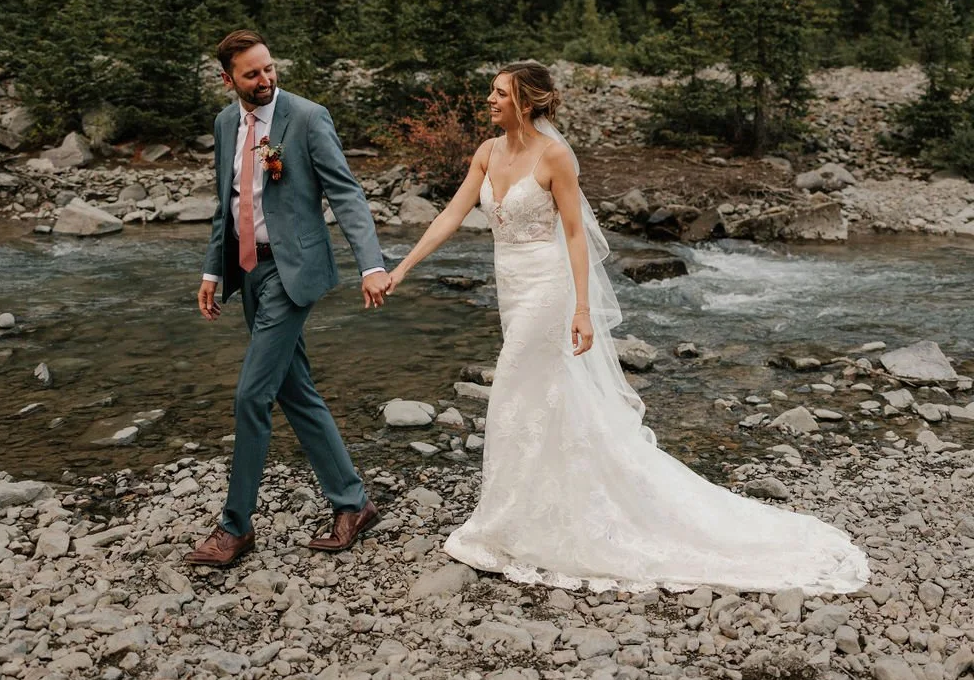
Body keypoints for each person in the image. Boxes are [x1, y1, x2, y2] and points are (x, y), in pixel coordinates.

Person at [387, 60, 869, 594]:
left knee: (511, 391)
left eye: (499, 93)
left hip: (548, 289)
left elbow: (574, 235)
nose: (489, 100)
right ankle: (536, 507)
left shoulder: (555, 157)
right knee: (541, 397)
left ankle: (508, 519)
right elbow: (452, 215)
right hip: (511, 285)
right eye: (491, 92)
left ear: (526, 103)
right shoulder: (487, 152)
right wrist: (401, 269)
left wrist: (581, 310)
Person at [185, 30, 392, 568]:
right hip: (248, 271)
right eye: (252, 73)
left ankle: (235, 529)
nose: (266, 79)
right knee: (295, 392)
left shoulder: (306, 117)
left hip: (291, 272)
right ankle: (353, 503)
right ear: (228, 79)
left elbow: (346, 192)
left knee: (252, 396)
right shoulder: (226, 122)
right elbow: (225, 206)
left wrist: (371, 264)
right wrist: (213, 271)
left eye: (269, 68)